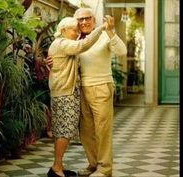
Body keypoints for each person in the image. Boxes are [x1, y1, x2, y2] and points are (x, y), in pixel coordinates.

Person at [47, 16, 109, 177]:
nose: (77, 33)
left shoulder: (62, 44)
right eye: (74, 30)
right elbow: (84, 44)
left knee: (62, 130)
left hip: (64, 93)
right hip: (65, 94)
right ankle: (56, 168)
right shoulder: (63, 43)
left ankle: (58, 165)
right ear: (63, 31)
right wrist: (102, 28)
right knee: (65, 131)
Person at [73, 8, 127, 177]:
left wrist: (111, 31)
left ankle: (104, 169)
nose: (83, 22)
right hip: (81, 89)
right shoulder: (74, 39)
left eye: (87, 18)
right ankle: (93, 164)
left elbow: (122, 51)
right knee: (86, 131)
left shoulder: (104, 35)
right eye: (80, 19)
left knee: (102, 130)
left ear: (94, 20)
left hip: (101, 87)